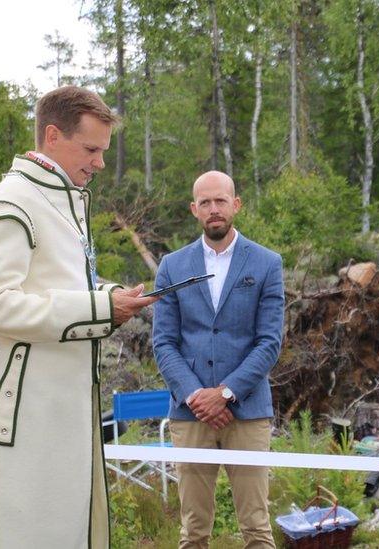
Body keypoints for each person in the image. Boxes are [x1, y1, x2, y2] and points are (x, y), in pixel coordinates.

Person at [0, 86, 158, 547]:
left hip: (57, 409)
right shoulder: (13, 202)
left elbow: (51, 287)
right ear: (53, 136)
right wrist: (101, 309)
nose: (99, 163)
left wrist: (108, 294)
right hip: (24, 416)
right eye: (92, 149)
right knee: (22, 531)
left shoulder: (59, 199)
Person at [153, 171, 284, 549]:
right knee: (193, 531)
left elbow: (269, 342)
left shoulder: (266, 263)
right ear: (194, 209)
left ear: (236, 205)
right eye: (205, 203)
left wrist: (226, 393)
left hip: (248, 411)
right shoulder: (172, 266)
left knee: (257, 528)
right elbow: (163, 342)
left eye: (221, 201)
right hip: (190, 413)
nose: (214, 210)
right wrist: (197, 396)